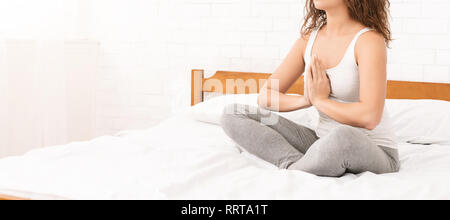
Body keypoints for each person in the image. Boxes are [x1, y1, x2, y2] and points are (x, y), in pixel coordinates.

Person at [220, 0, 400, 177]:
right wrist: (305, 100)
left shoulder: (368, 41)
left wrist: (320, 101)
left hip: (373, 149)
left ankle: (303, 168)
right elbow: (265, 97)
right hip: (319, 141)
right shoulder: (308, 40)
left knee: (342, 136)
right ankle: (294, 165)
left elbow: (369, 117)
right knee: (233, 113)